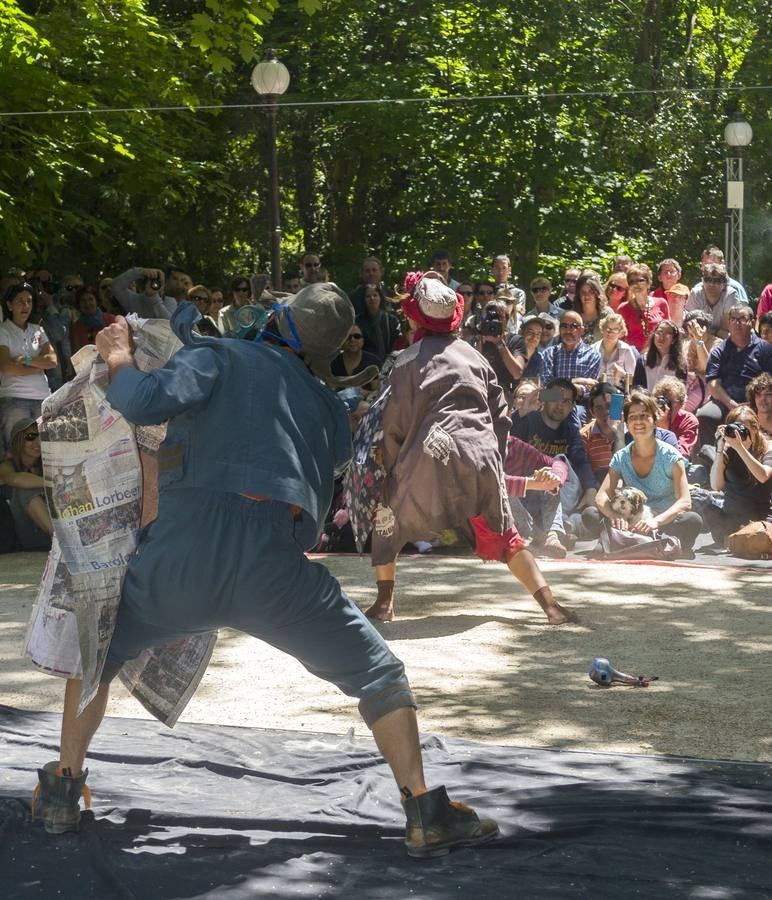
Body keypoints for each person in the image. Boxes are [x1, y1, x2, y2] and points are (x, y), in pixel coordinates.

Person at [30, 284, 499, 858]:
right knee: (379, 674)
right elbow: (328, 464)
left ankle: (62, 790)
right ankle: (424, 810)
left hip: (181, 555)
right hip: (273, 566)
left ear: (277, 317)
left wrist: (120, 358)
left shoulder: (217, 355)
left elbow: (144, 401)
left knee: (98, 654)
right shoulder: (327, 404)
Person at [365, 274, 572, 627]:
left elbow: (395, 424)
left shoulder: (406, 361)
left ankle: (385, 604)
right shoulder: (475, 356)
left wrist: (393, 468)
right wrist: (492, 456)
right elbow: (502, 413)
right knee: (506, 536)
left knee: (388, 516)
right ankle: (550, 605)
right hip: (479, 451)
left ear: (417, 316)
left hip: (428, 453)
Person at [583, 392, 702, 557]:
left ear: (655, 420)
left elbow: (685, 501)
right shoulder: (621, 457)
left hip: (662, 521)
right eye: (632, 417)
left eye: (644, 416)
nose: (638, 421)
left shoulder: (671, 456)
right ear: (627, 422)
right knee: (590, 515)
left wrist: (655, 522)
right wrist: (615, 516)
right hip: (629, 518)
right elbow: (601, 496)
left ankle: (628, 541)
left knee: (692, 520)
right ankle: (654, 543)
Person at [698, 306, 772, 447]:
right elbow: (713, 384)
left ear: (752, 322)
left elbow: (769, 383)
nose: (737, 323)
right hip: (724, 401)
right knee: (705, 415)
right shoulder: (718, 351)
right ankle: (707, 459)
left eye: (742, 318)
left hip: (757, 403)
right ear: (728, 323)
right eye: (733, 319)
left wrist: (752, 404)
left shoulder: (766, 350)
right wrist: (731, 404)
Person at [0, 284, 57, 451]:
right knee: (16, 452)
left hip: (43, 398)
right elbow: (7, 368)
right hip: (14, 401)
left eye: (29, 301)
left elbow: (52, 361)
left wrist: (25, 359)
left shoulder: (38, 330)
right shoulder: (3, 331)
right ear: (9, 305)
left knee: (46, 453)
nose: (26, 306)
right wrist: (39, 365)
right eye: (20, 301)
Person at [706, 407, 772, 543]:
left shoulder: (768, 447)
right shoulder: (728, 449)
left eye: (743, 430)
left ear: (756, 427)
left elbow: (763, 476)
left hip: (762, 515)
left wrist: (740, 448)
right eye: (734, 429)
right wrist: (719, 448)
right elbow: (716, 485)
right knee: (709, 509)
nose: (738, 435)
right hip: (733, 515)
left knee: (759, 537)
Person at [0, 417, 52, 550]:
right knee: (24, 490)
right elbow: (14, 479)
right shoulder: (7, 465)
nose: (38, 443)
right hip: (25, 536)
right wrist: (53, 484)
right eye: (30, 437)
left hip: (53, 527)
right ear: (18, 440)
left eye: (42, 436)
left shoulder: (47, 465)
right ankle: (60, 540)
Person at [540, 310, 601, 404]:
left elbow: (589, 392)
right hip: (552, 406)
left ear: (582, 330)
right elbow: (545, 393)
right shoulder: (549, 354)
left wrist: (559, 389)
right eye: (564, 326)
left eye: (573, 326)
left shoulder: (593, 355)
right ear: (559, 330)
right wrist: (576, 381)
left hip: (579, 406)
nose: (568, 331)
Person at [685, 263, 746, 339]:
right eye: (707, 280)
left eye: (716, 281)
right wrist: (715, 332)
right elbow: (692, 326)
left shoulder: (730, 295)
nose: (711, 284)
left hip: (722, 339)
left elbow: (727, 329)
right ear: (702, 281)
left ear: (724, 283)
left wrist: (711, 332)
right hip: (697, 337)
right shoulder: (696, 293)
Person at [617, 264, 669, 352]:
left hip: (658, 356)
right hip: (633, 358)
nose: (636, 284)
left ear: (649, 283)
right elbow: (618, 339)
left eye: (640, 280)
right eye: (632, 281)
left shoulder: (661, 303)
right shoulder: (623, 309)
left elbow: (669, 333)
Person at [111, 266, 177, 319]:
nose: (155, 284)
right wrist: (140, 272)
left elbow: (169, 322)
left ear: (164, 285)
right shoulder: (133, 299)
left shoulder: (170, 301)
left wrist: (153, 297)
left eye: (159, 282)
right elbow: (115, 286)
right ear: (145, 283)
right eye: (152, 281)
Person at [331, 324, 381, 393]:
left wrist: (363, 393)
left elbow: (377, 391)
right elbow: (329, 389)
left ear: (363, 340)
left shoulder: (374, 361)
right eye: (348, 337)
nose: (352, 340)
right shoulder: (333, 363)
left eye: (357, 336)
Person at [69, 286, 118, 354]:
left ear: (96, 301)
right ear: (79, 304)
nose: (87, 303)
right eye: (83, 300)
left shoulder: (110, 319)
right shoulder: (76, 327)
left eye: (90, 299)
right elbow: (76, 355)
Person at [597, 312, 639, 390]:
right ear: (602, 329)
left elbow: (635, 381)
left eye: (615, 330)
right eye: (608, 328)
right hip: (597, 394)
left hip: (619, 393)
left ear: (620, 333)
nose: (610, 333)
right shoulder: (593, 349)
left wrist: (623, 375)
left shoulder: (626, 350)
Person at [642, 320, 687, 391]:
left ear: (673, 340)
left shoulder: (680, 364)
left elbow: (681, 390)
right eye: (659, 333)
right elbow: (638, 386)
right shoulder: (643, 359)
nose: (661, 338)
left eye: (667, 335)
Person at [572, 273, 608, 344]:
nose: (587, 296)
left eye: (591, 292)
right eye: (583, 292)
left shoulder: (607, 314)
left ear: (596, 293)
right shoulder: (573, 315)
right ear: (578, 294)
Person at [746, 373, 772, 438]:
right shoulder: (746, 423)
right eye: (758, 395)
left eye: (768, 394)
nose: (763, 399)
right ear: (753, 398)